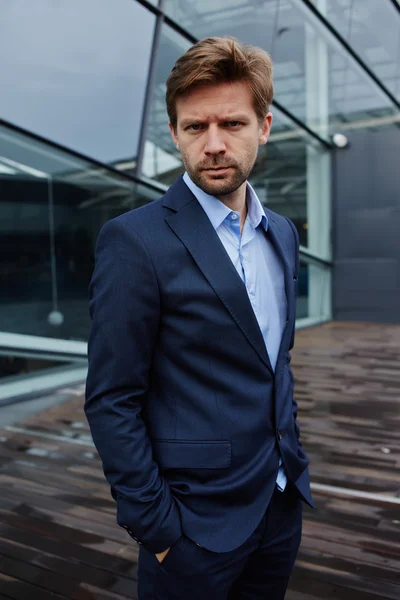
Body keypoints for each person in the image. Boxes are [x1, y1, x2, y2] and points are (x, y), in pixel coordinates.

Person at [84, 36, 313, 600]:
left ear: (263, 126)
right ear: (175, 133)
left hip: (279, 505)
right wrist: (158, 530)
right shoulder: (134, 241)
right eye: (195, 127)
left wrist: (292, 457)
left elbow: (273, 362)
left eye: (231, 124)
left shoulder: (282, 233)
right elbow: (112, 398)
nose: (213, 145)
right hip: (189, 530)